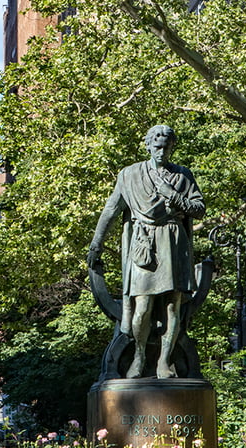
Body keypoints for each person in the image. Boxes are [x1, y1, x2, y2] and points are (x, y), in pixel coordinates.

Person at [87, 125, 205, 379]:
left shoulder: (183, 175)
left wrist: (172, 195)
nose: (161, 151)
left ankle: (164, 361)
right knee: (142, 306)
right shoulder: (129, 175)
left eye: (166, 147)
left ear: (172, 148)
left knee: (173, 307)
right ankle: (139, 356)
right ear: (148, 145)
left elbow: (198, 208)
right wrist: (97, 243)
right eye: (157, 146)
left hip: (173, 243)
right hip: (144, 246)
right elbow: (111, 210)